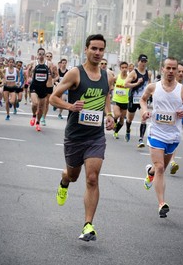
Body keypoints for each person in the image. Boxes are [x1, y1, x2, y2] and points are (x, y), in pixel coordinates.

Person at [49, 34, 115, 242]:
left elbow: (106, 96)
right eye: (93, 49)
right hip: (75, 136)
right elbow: (53, 97)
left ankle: (88, 225)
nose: (97, 53)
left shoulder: (108, 76)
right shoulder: (75, 74)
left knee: (92, 178)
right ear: (86, 49)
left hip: (95, 136)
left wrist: (110, 114)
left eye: (101, 49)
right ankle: (64, 180)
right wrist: (70, 106)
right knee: (73, 175)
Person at [139, 57, 183, 218]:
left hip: (173, 135)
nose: (170, 71)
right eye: (168, 68)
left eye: (173, 69)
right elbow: (143, 100)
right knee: (161, 168)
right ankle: (162, 203)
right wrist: (144, 111)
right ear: (162, 69)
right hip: (156, 132)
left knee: (158, 168)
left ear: (178, 71)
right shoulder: (153, 87)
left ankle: (150, 172)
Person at [124, 54, 153, 147]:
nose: (143, 63)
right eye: (142, 61)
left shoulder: (149, 73)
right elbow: (126, 84)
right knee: (129, 119)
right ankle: (128, 130)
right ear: (138, 61)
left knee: (144, 118)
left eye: (145, 62)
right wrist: (137, 83)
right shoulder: (134, 73)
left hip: (143, 100)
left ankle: (141, 139)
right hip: (133, 99)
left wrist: (151, 94)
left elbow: (149, 85)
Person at [27, 48, 53, 131]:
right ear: (37, 55)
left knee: (41, 107)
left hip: (43, 87)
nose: (41, 56)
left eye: (43, 54)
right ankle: (34, 116)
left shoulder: (49, 64)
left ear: (44, 55)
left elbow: (54, 74)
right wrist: (28, 78)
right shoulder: (33, 63)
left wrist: (51, 76)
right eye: (40, 54)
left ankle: (38, 123)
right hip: (34, 86)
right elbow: (27, 70)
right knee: (35, 104)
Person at [111, 61, 130, 139]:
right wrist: (111, 88)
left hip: (125, 101)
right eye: (123, 68)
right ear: (120, 68)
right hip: (116, 100)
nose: (124, 69)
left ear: (128, 68)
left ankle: (116, 132)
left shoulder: (129, 78)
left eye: (126, 67)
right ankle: (113, 122)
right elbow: (110, 82)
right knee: (117, 115)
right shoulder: (116, 77)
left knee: (122, 120)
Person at [42, 52, 59, 125]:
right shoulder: (41, 65)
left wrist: (54, 80)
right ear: (45, 57)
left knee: (46, 103)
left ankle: (43, 118)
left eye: (50, 56)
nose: (49, 57)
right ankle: (38, 114)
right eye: (47, 56)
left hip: (49, 86)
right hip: (41, 86)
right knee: (40, 102)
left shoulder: (54, 66)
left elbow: (57, 76)